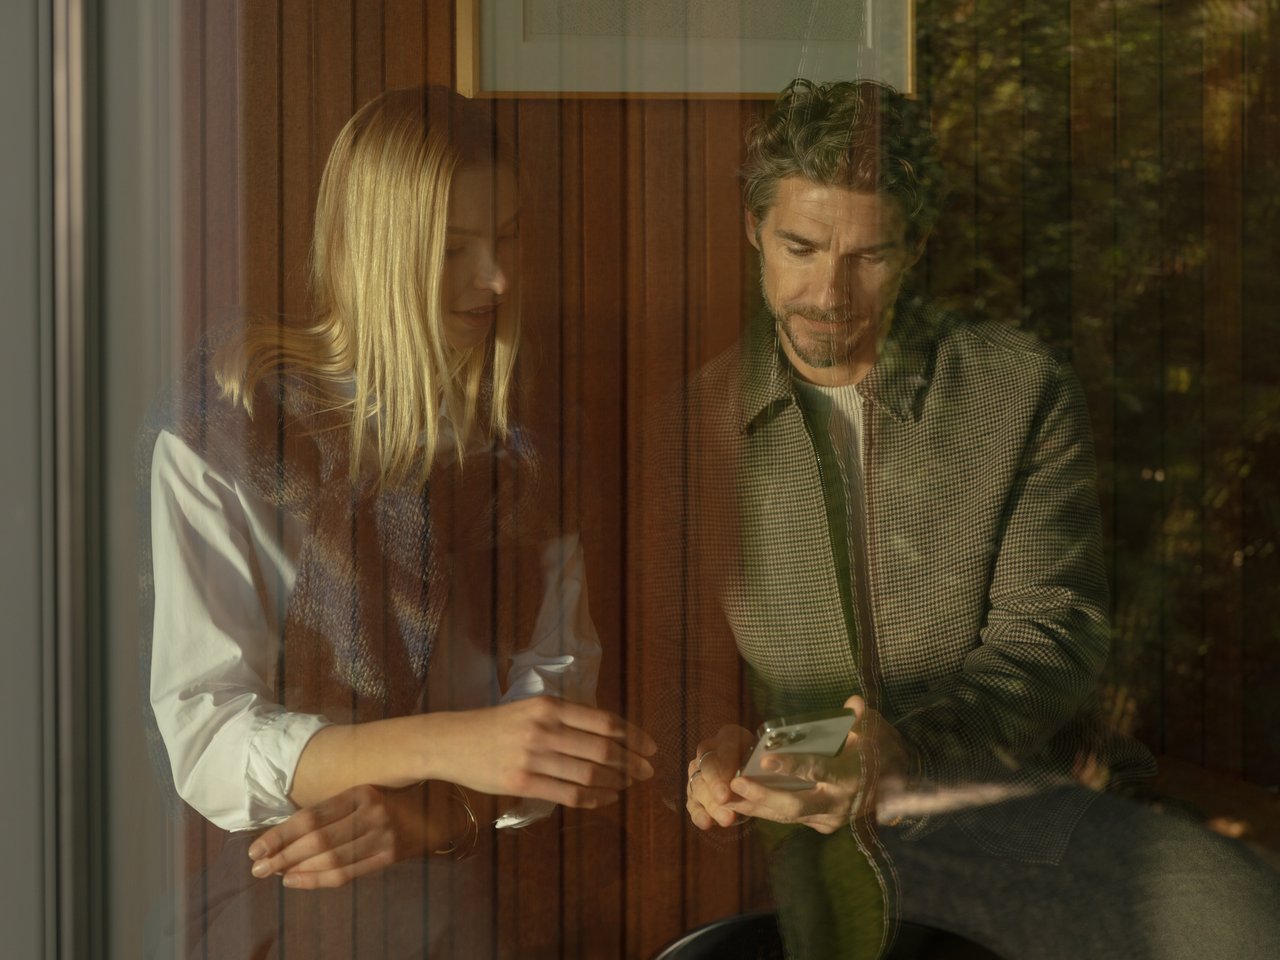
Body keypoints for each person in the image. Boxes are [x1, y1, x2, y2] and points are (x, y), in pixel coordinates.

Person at [665, 78, 1280, 959]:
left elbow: (1051, 635)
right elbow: (675, 671)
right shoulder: (690, 431)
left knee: (1247, 927)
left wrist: (908, 754)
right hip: (794, 845)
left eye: (869, 256)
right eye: (800, 247)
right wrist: (712, 751)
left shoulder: (1017, 392)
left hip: (1025, 815)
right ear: (753, 229)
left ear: (915, 250)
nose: (829, 293)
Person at [141, 85, 655, 958]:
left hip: (487, 874)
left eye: (508, 237)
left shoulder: (534, 436)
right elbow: (208, 738)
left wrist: (438, 813)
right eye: (454, 249)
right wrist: (453, 746)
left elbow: (553, 701)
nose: (496, 278)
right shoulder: (232, 427)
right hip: (287, 882)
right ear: (372, 249)